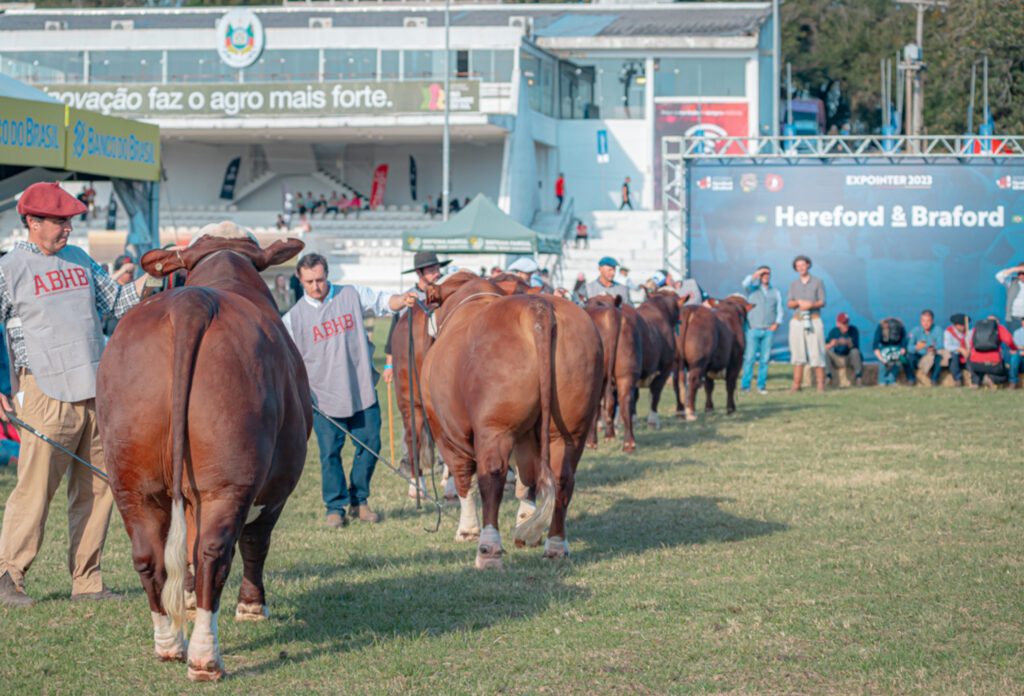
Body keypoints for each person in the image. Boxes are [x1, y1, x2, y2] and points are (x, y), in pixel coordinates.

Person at [0, 182, 152, 607]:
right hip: (44, 390)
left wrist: (153, 277)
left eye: (69, 220)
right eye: (60, 220)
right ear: (32, 222)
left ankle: (87, 581)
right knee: (34, 490)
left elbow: (118, 302)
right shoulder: (9, 269)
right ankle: (8, 574)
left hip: (95, 388)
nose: (68, 228)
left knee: (98, 490)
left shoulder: (81, 259)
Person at [284, 253, 417, 529]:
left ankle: (359, 500)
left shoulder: (351, 294)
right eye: (309, 281)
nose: (315, 286)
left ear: (327, 275)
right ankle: (335, 506)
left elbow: (383, 303)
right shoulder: (293, 319)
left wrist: (401, 300)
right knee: (329, 454)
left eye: (320, 279)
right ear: (300, 280)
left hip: (360, 389)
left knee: (370, 446)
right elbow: (284, 357)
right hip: (322, 398)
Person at [786, 254, 827, 392]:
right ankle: (796, 384)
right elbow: (789, 303)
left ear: (808, 265)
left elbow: (822, 301)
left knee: (817, 352)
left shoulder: (817, 282)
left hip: (814, 319)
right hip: (797, 321)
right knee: (797, 353)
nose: (801, 268)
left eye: (803, 265)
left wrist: (811, 304)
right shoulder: (793, 284)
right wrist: (798, 302)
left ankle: (821, 384)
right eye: (798, 266)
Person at [740, 266, 783, 394]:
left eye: (768, 273)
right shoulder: (751, 290)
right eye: (763, 273)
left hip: (768, 330)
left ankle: (761, 386)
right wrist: (756, 274)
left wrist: (777, 323)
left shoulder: (775, 292)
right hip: (753, 329)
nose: (765, 275)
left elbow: (779, 309)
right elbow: (745, 283)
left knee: (764, 359)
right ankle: (745, 387)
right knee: (749, 358)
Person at [966, 315, 1016, 387]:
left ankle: (975, 382)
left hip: (976, 363)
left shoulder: (977, 328)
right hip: (994, 362)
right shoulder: (999, 328)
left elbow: (971, 343)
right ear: (997, 322)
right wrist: (1014, 348)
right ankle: (992, 378)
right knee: (1005, 376)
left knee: (972, 363)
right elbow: (1009, 341)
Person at [873, 317, 914, 386]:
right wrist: (881, 358)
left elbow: (904, 341)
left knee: (900, 360)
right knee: (884, 361)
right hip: (884, 348)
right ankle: (882, 381)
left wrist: (902, 350)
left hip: (896, 347)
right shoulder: (881, 327)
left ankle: (892, 380)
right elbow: (875, 346)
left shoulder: (900, 326)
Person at [907, 309, 944, 386]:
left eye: (928, 321)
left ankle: (934, 380)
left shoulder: (938, 330)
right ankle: (911, 379)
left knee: (940, 357)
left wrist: (934, 348)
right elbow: (909, 347)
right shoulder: (915, 330)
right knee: (908, 357)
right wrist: (916, 347)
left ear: (932, 321)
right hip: (919, 356)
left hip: (931, 355)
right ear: (920, 321)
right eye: (923, 321)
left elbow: (941, 345)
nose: (925, 323)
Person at [825, 312, 863, 385]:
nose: (846, 325)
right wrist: (831, 344)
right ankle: (828, 376)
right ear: (838, 324)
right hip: (837, 358)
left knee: (855, 352)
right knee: (825, 352)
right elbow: (824, 346)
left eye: (847, 322)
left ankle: (858, 377)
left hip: (848, 358)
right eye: (844, 323)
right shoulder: (833, 331)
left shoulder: (853, 330)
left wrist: (847, 342)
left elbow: (856, 347)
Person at [995, 262, 1024, 330]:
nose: (1021, 276)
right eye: (1019, 273)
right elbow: (998, 276)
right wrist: (1015, 269)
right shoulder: (1011, 281)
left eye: (1023, 273)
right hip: (1014, 320)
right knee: (1014, 340)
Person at [943, 314, 970, 386]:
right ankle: (958, 379)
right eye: (961, 325)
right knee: (953, 356)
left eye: (964, 325)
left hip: (965, 358)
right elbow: (947, 346)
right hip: (955, 358)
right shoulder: (948, 332)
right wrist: (960, 349)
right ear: (956, 325)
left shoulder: (968, 333)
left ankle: (976, 380)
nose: (963, 327)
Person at [1010, 322, 1024, 387]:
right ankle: (1013, 382)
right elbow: (1015, 347)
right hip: (1019, 355)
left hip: (1020, 352)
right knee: (1014, 358)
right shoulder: (1017, 332)